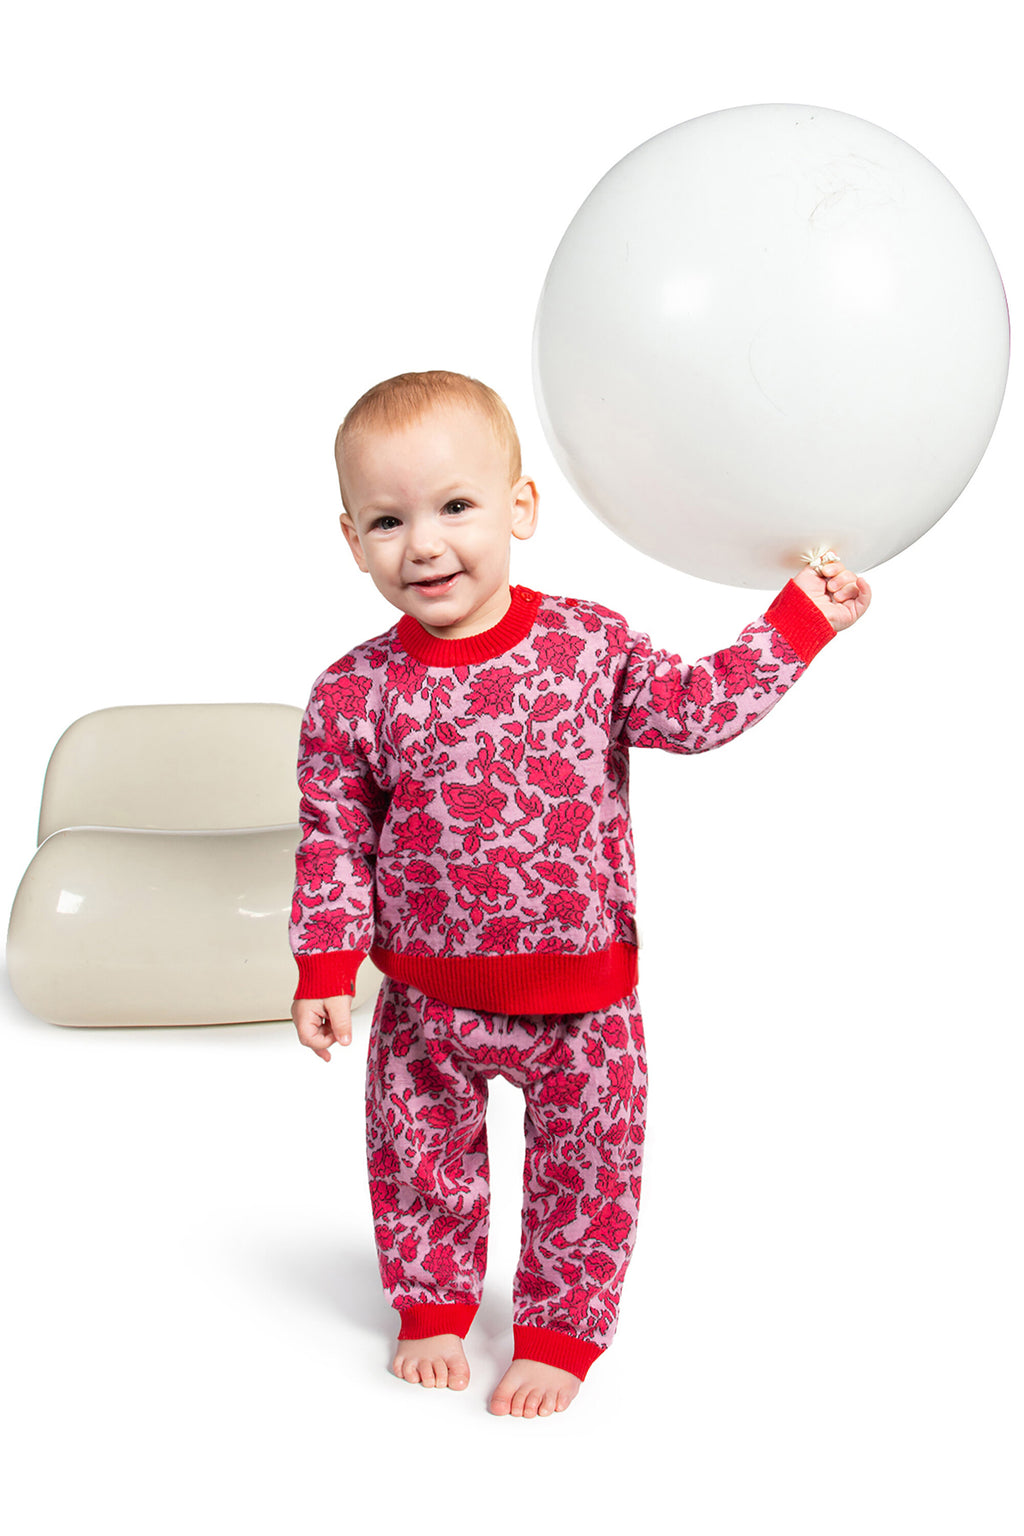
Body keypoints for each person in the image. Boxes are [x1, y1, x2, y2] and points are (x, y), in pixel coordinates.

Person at [289, 370, 871, 1419]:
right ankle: (432, 1307)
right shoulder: (351, 692)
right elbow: (334, 839)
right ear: (351, 539)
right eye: (387, 521)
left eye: (455, 506)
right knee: (419, 1159)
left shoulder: (588, 646)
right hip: (427, 998)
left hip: (584, 999)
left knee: (588, 1169)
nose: (423, 545)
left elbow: (693, 709)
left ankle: (560, 1331)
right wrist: (324, 966)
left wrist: (796, 624)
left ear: (520, 507)